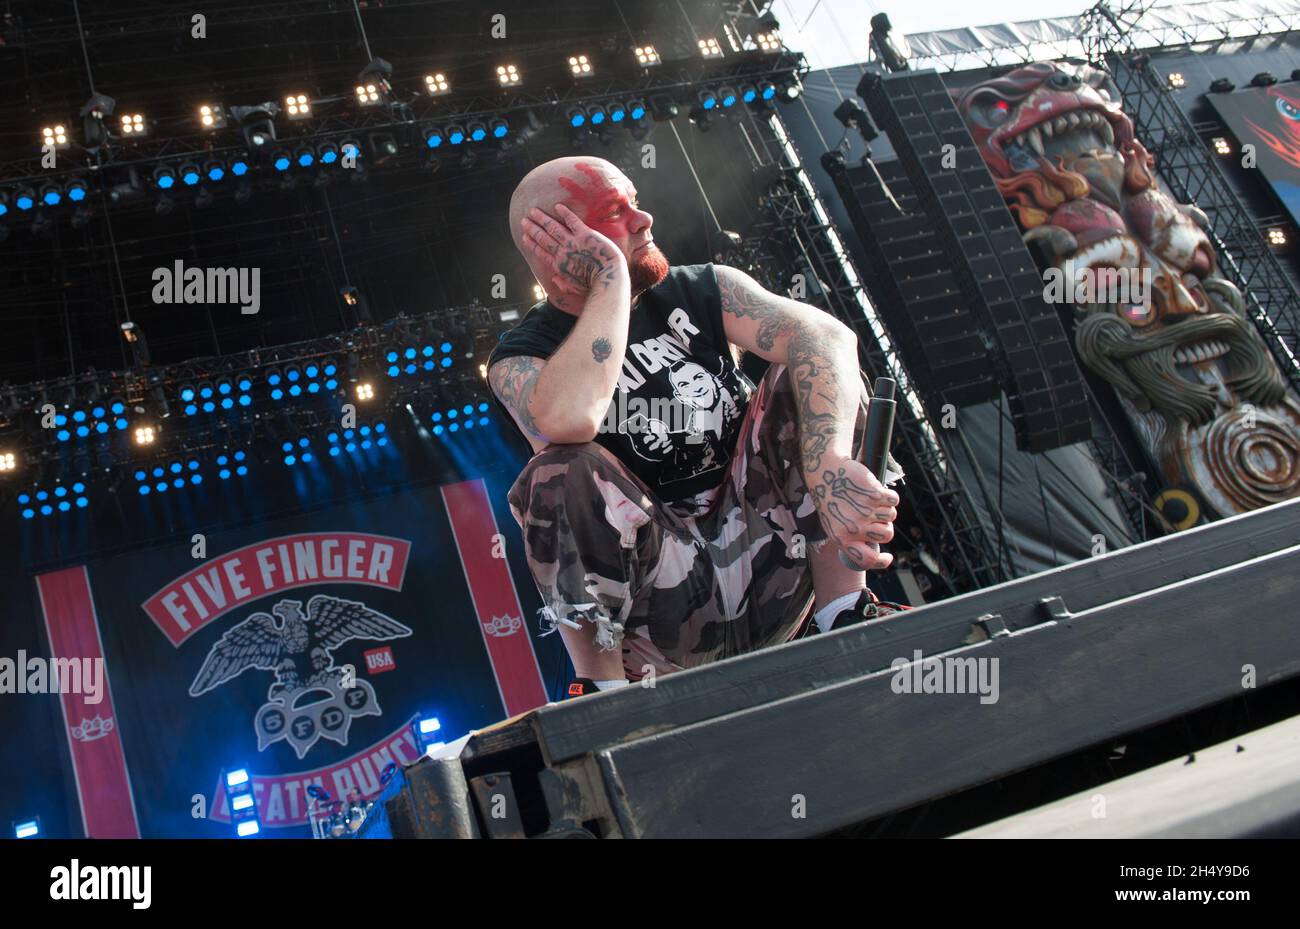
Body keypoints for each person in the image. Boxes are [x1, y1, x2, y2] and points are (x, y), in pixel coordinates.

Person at [487, 156, 906, 697]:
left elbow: (826, 337)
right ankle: (603, 691)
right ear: (557, 241)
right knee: (559, 468)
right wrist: (609, 280)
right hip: (663, 607)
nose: (644, 218)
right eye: (617, 212)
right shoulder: (520, 358)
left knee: (809, 372)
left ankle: (845, 610)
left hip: (769, 546)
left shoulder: (704, 290)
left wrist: (828, 466)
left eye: (636, 200)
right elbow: (570, 419)